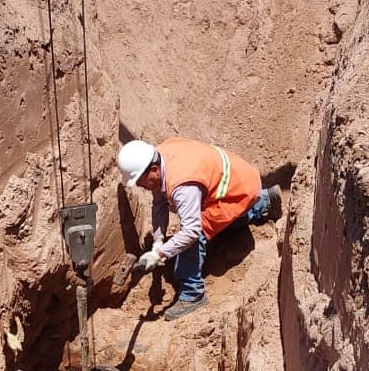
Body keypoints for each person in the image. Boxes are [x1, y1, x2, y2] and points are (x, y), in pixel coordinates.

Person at [117, 137, 282, 321]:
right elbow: (159, 204)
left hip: (238, 189)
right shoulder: (160, 155)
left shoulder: (182, 186)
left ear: (154, 170)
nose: (140, 186)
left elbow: (191, 232)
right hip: (238, 180)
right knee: (213, 219)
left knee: (196, 232)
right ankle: (264, 202)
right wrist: (157, 242)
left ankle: (192, 293)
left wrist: (160, 254)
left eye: (140, 181)